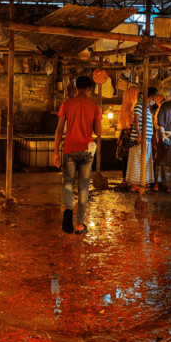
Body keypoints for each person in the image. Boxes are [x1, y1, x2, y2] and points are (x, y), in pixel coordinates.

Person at [53, 75, 102, 234]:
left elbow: (59, 129)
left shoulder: (67, 104)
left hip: (69, 149)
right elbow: (99, 132)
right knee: (83, 187)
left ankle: (68, 209)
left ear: (75, 88)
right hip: (87, 150)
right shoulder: (94, 106)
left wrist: (55, 152)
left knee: (68, 183)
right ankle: (79, 223)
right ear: (89, 89)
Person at [126, 86, 155, 192]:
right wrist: (139, 135)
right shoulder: (139, 106)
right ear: (152, 96)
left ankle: (137, 183)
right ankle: (134, 185)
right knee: (137, 161)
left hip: (145, 139)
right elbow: (136, 120)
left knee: (141, 161)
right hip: (139, 139)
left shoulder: (146, 107)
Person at [116, 86, 138, 186]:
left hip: (123, 131)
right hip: (129, 132)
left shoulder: (124, 104)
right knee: (130, 156)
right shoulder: (132, 105)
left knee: (125, 157)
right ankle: (129, 178)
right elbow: (130, 121)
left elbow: (120, 120)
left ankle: (125, 177)